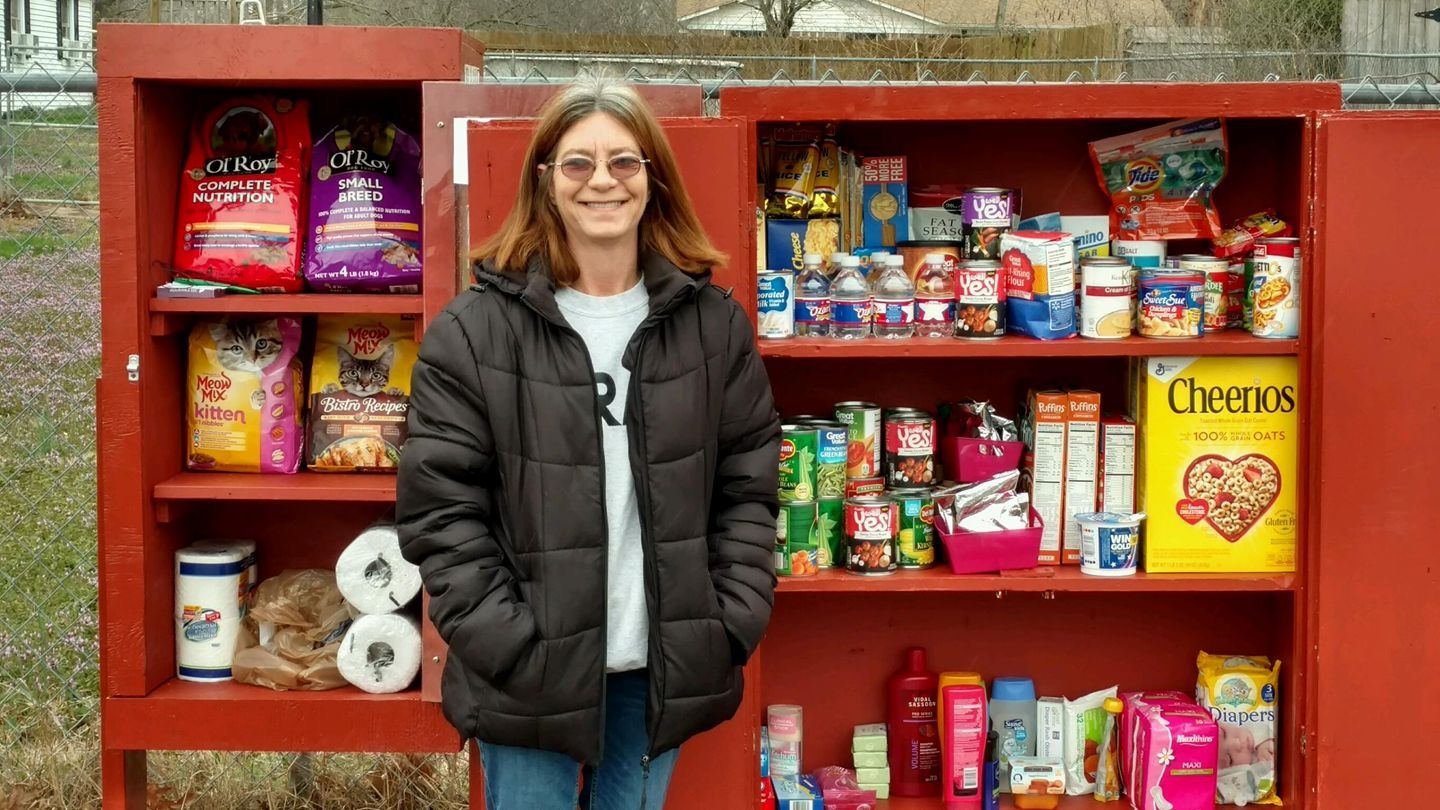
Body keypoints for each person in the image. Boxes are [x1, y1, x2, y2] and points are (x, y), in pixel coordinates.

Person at [396, 78, 780, 810]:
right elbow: (441, 511)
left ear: (652, 177)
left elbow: (750, 488)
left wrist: (724, 623)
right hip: (526, 673)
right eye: (577, 163)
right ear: (544, 181)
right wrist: (507, 641)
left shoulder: (712, 327)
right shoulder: (475, 332)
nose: (602, 181)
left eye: (624, 162)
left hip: (659, 668)